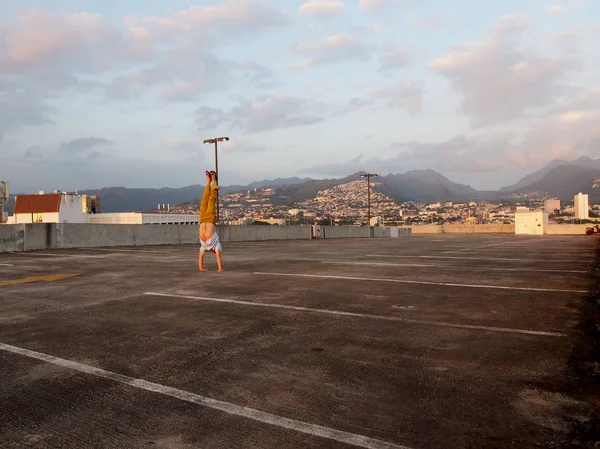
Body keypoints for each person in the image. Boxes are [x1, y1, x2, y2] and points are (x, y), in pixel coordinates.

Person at [198, 170, 223, 272]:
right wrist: (220, 269)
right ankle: (213, 181)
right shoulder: (217, 245)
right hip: (210, 220)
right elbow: (218, 257)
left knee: (204, 200)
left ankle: (208, 181)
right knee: (211, 200)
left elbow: (200, 258)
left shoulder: (203, 248)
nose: (215, 252)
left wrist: (201, 268)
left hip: (202, 220)